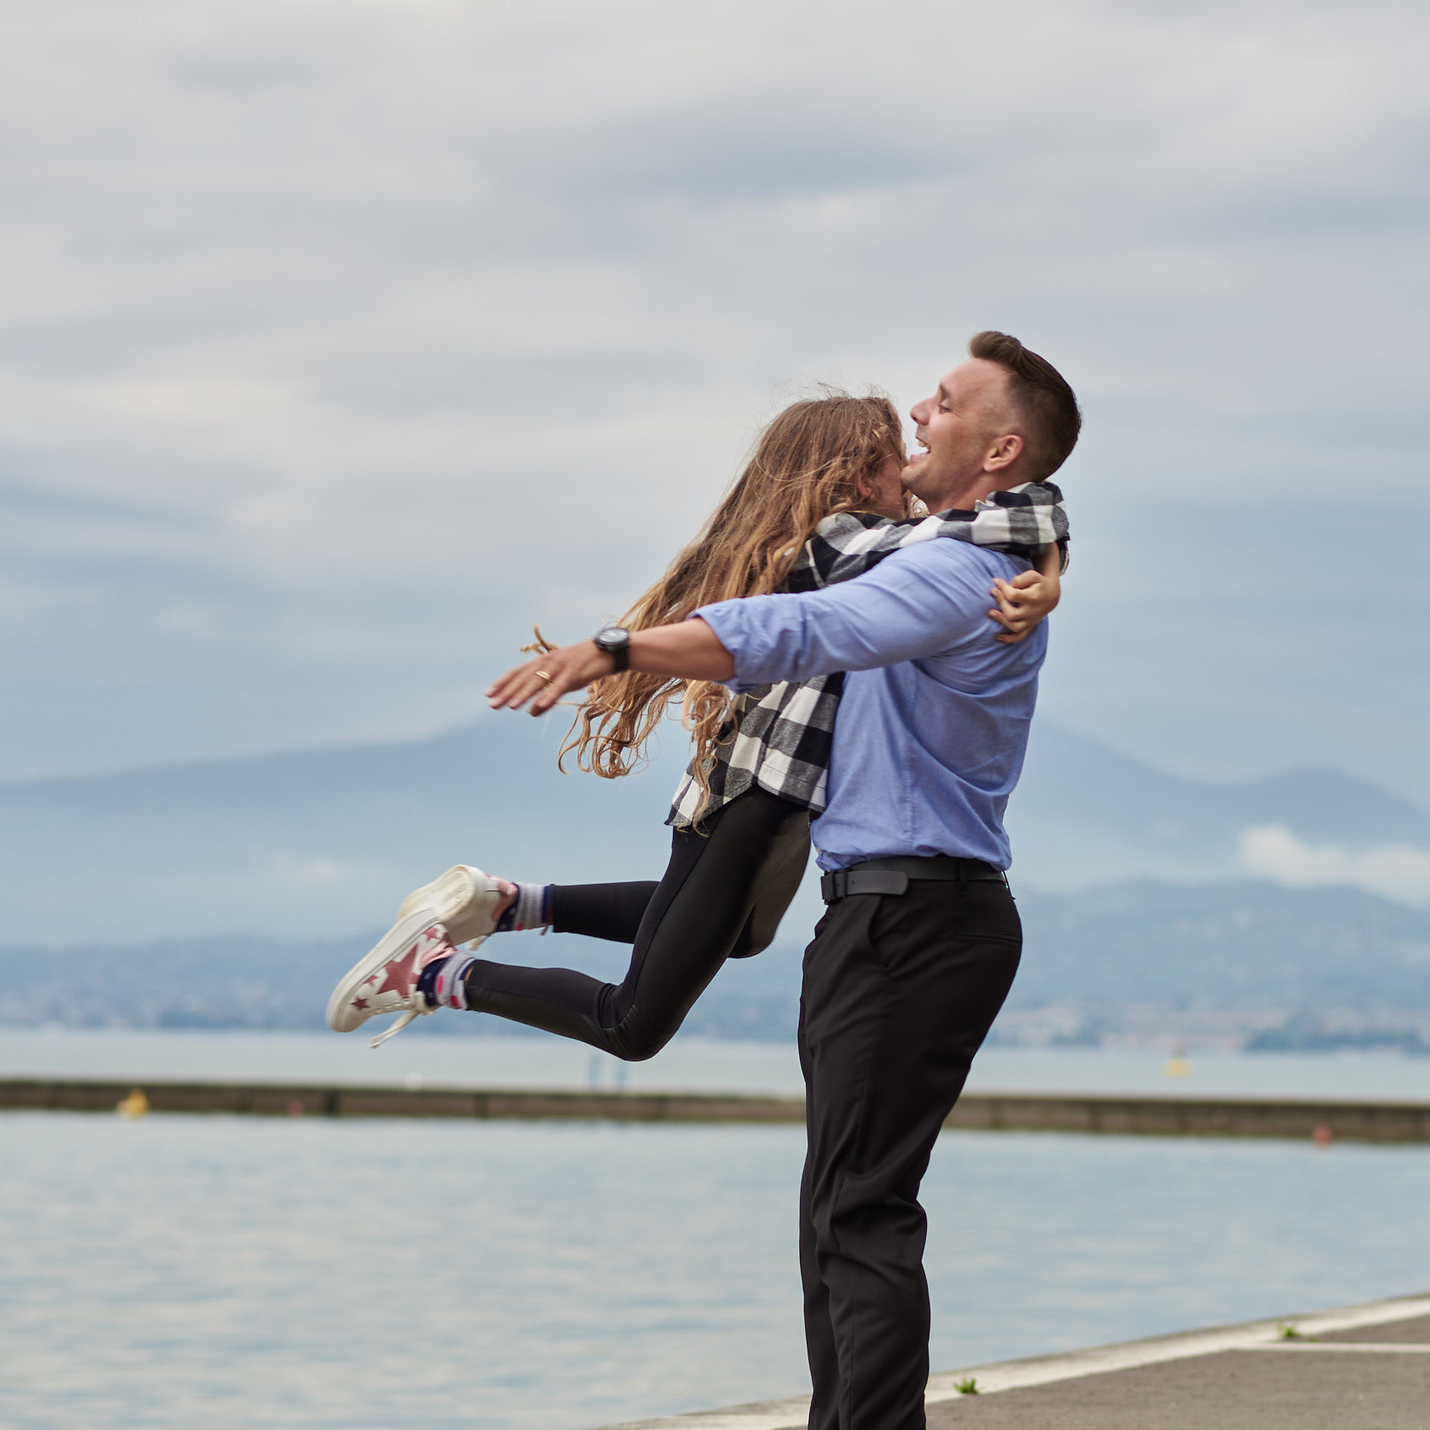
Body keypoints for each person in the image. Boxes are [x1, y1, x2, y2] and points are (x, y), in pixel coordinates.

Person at [484, 331, 1082, 1430]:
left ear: (1001, 446)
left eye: (951, 402)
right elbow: (860, 566)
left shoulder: (958, 575)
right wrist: (1056, 560)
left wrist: (616, 645)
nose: (924, 407)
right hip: (880, 913)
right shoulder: (982, 553)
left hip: (920, 918)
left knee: (864, 1213)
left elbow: (798, 627)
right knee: (833, 1213)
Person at [323, 392, 1065, 1054]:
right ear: (853, 476)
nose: (910, 468)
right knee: (633, 1022)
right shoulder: (848, 541)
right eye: (893, 460)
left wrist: (1046, 562)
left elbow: (985, 530)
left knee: (743, 933)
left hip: (777, 799)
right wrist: (1049, 564)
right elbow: (998, 525)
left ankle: (513, 902)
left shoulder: (861, 551)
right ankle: (434, 973)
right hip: (749, 798)